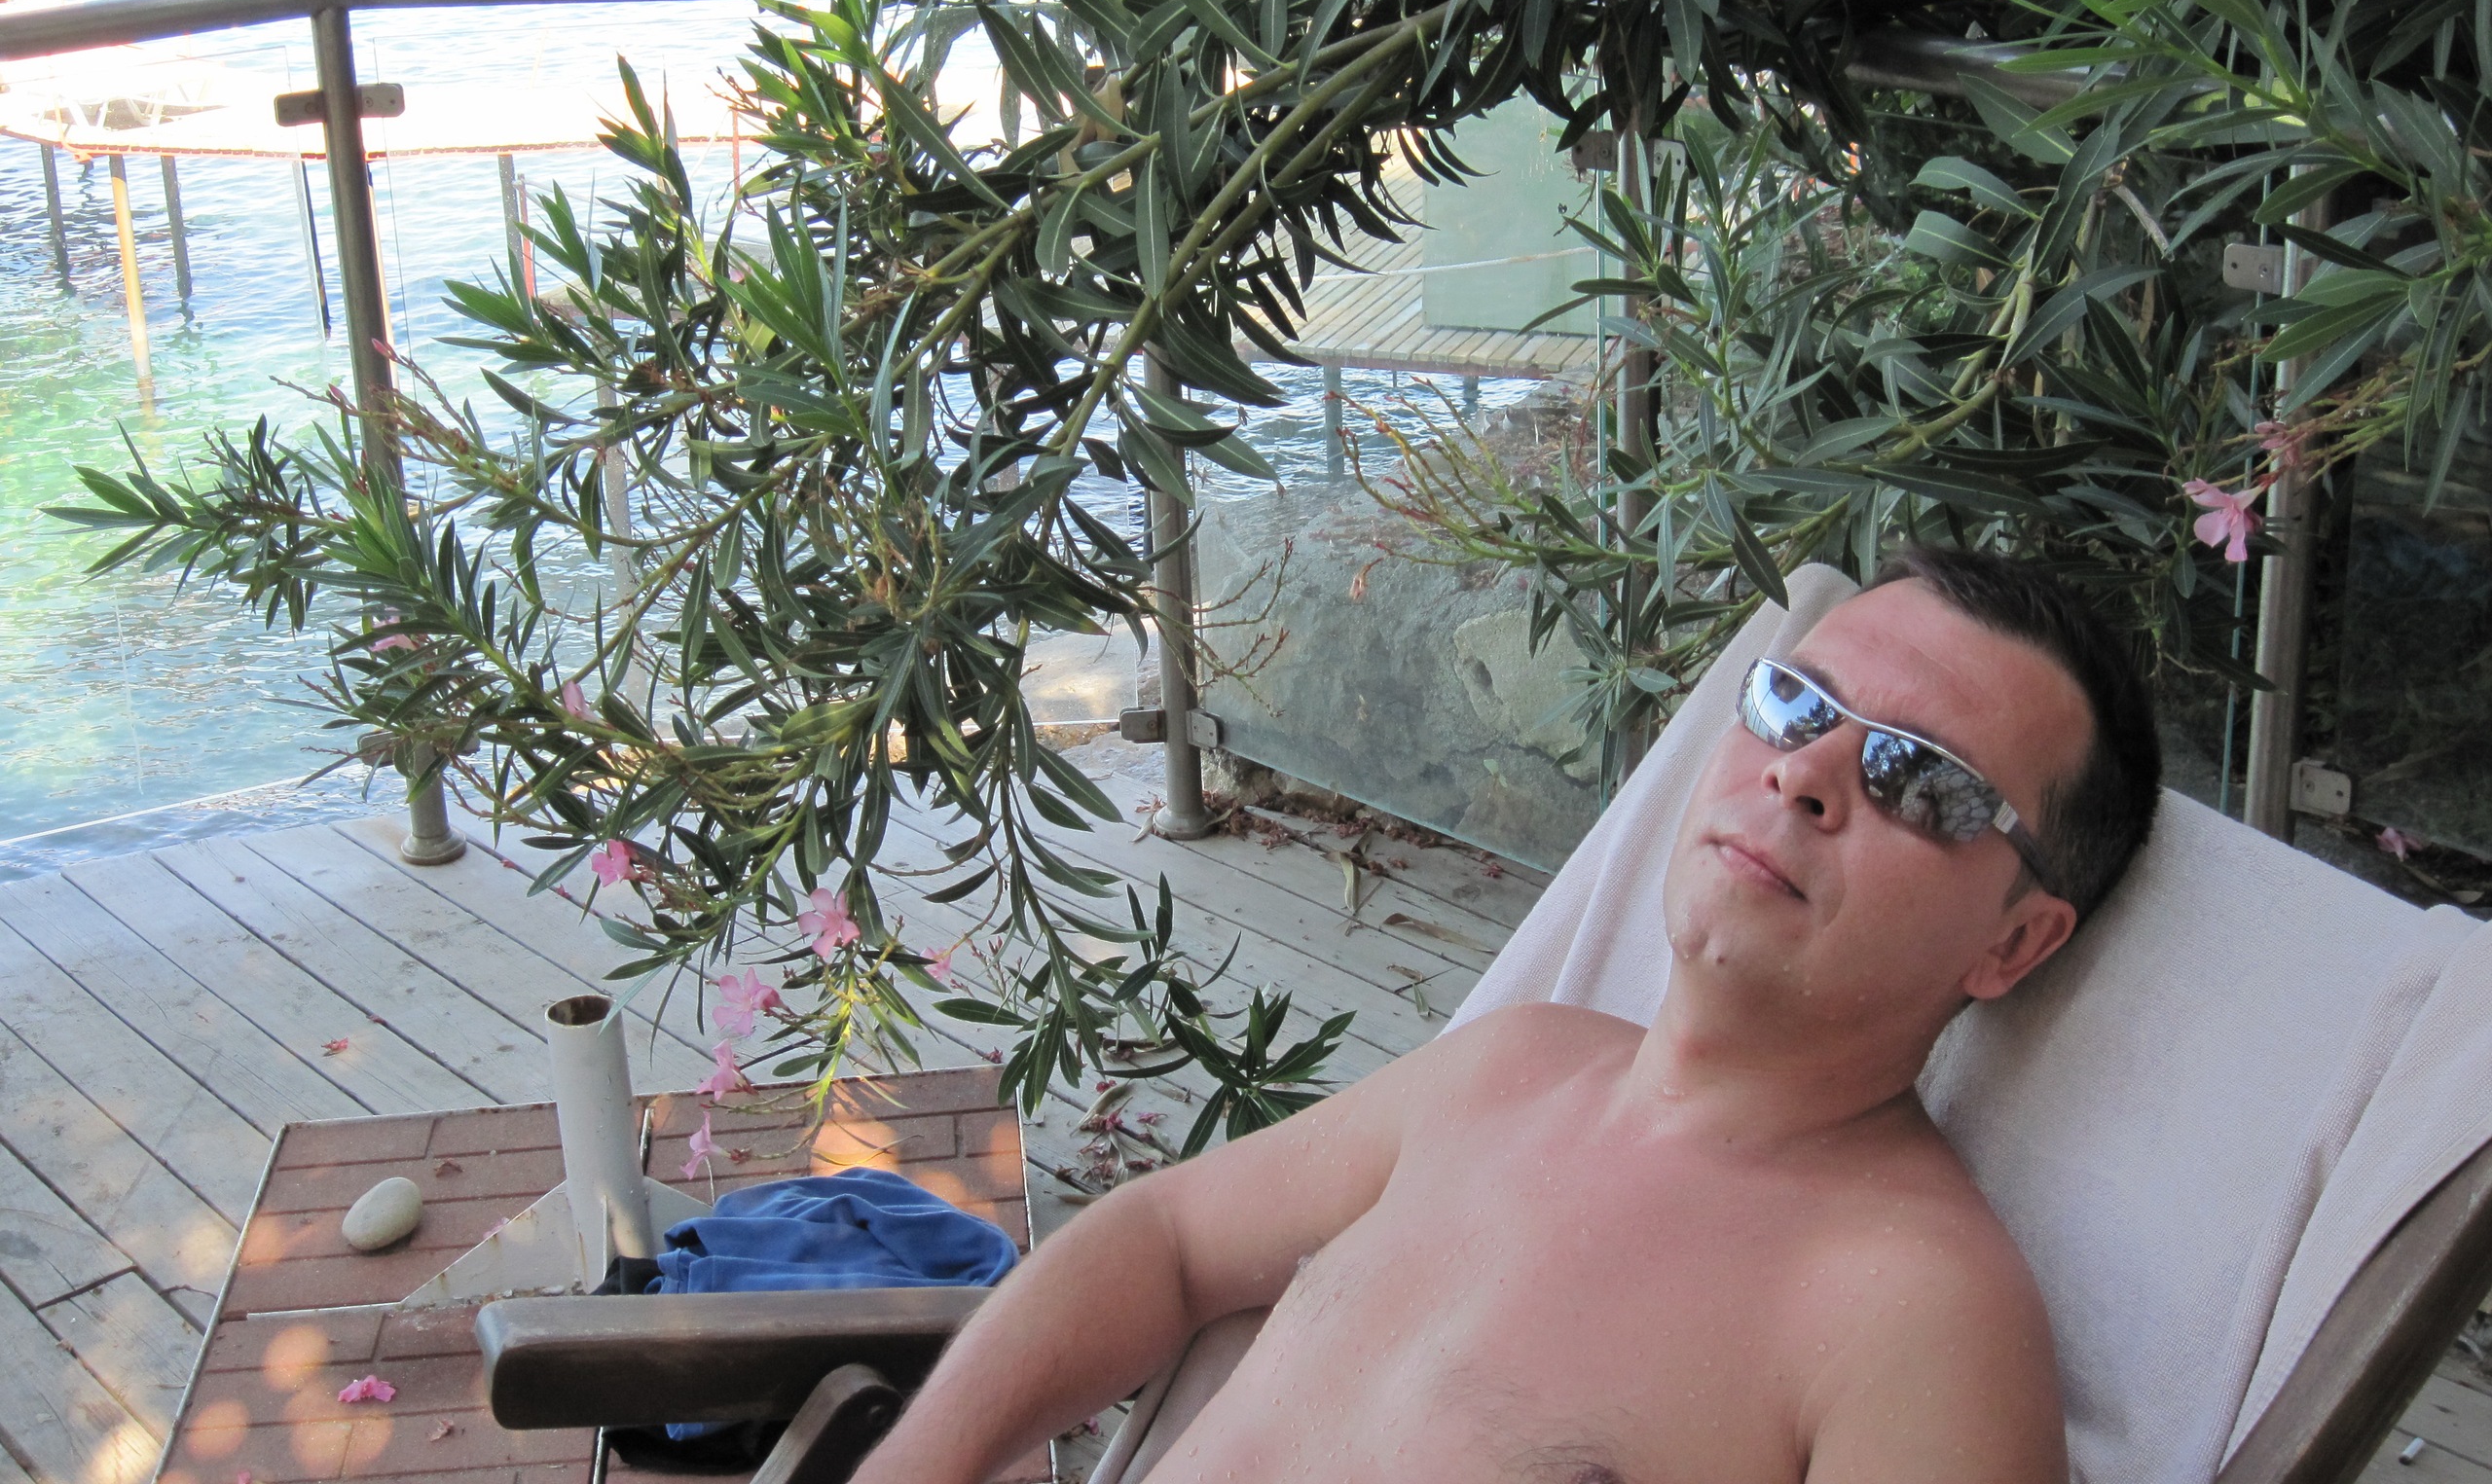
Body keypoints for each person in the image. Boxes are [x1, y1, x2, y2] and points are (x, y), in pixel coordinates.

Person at [859, 546, 2162, 1484]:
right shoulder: (1520, 1065)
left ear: (2014, 941)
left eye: (1919, 779)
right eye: (1794, 704)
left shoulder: (1915, 1323)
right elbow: (1165, 1240)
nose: (1807, 773)